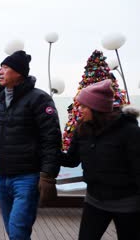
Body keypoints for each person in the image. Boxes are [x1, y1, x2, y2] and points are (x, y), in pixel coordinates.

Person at [0, 50, 61, 240]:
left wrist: (48, 176)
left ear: (18, 73)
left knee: (17, 231)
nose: (0, 71)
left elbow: (51, 140)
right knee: (14, 231)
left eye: (6, 67)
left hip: (27, 178)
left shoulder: (39, 99)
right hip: (2, 179)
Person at [57, 79, 140, 240]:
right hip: (94, 200)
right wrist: (48, 151)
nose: (79, 110)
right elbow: (71, 160)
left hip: (127, 203)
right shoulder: (82, 129)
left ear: (96, 108)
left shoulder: (129, 131)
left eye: (83, 106)